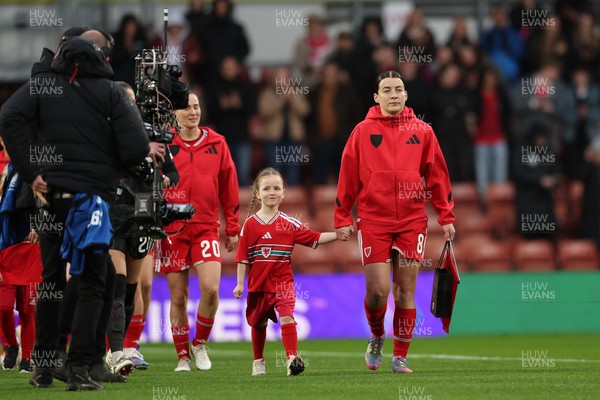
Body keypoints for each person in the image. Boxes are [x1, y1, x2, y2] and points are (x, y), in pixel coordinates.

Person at [0, 30, 151, 390]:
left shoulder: (43, 85)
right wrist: (110, 164)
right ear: (102, 58)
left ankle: (45, 363)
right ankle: (82, 364)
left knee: (51, 281)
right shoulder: (111, 92)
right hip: (91, 199)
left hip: (48, 198)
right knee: (92, 283)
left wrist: (31, 170)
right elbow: (137, 148)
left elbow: (8, 117)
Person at [335, 71, 456, 374]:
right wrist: (341, 217)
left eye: (398, 89)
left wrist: (446, 215)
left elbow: (437, 175)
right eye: (386, 90)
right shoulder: (362, 131)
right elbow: (347, 177)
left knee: (405, 290)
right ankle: (377, 336)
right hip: (373, 219)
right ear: (376, 97)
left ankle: (400, 355)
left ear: (406, 95)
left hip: (412, 221)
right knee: (377, 291)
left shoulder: (423, 131)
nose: (393, 94)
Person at [233, 167, 344, 376]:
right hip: (258, 285)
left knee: (287, 316)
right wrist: (240, 283)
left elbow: (315, 238)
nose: (272, 192)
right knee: (259, 323)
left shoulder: (289, 223)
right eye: (266, 188)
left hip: (283, 283)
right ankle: (258, 361)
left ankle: (292, 359)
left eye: (277, 188)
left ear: (284, 193)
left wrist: (338, 235)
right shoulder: (249, 225)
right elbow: (242, 258)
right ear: (257, 193)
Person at [160, 92, 240, 372]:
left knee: (211, 290)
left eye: (196, 106)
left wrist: (232, 226)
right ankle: (182, 356)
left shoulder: (217, 142)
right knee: (178, 296)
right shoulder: (164, 143)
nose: (193, 111)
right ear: (174, 113)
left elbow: (229, 185)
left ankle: (200, 344)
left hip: (205, 227)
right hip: (172, 229)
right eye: (186, 107)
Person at [105, 82, 179, 375]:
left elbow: (173, 171)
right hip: (113, 214)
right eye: (124, 99)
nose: (130, 104)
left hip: (142, 216)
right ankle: (115, 353)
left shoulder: (152, 133)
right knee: (116, 285)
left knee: (130, 291)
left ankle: (122, 348)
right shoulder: (105, 132)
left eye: (133, 99)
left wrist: (164, 180)